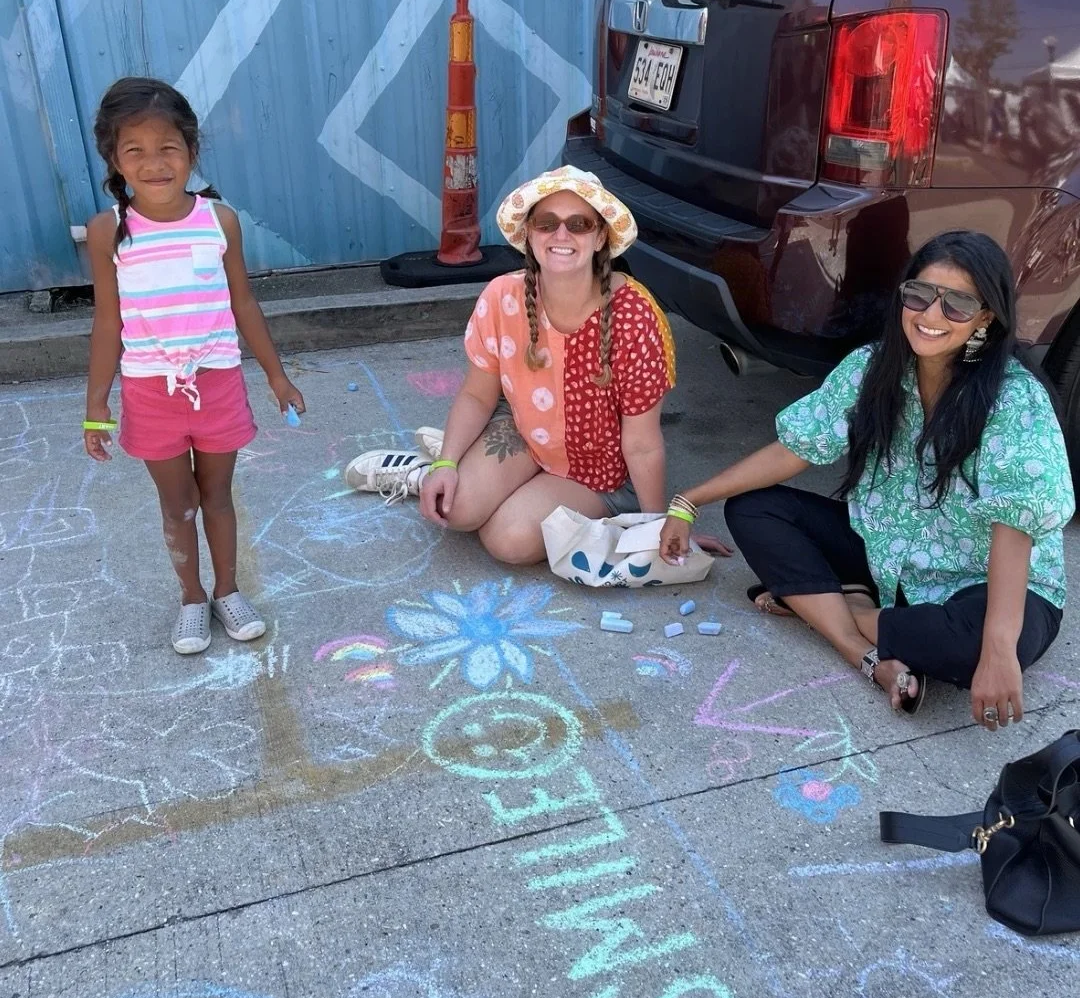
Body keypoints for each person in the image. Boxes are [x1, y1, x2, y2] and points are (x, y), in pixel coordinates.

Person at [660, 230, 1073, 729]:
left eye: (958, 304)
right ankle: (861, 647)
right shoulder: (873, 367)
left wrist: (1000, 649)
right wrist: (688, 499)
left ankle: (834, 605)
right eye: (919, 295)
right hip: (887, 558)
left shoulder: (1013, 398)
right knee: (752, 508)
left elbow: (1015, 525)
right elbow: (795, 450)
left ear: (987, 316)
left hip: (991, 580)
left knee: (972, 648)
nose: (931, 316)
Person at [345, 167, 711, 566]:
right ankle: (428, 470)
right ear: (529, 234)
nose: (561, 236)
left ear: (601, 236)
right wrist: (448, 464)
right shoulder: (503, 294)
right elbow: (476, 393)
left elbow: (641, 442)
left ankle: (490, 476)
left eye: (579, 224)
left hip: (598, 470)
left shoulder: (635, 315)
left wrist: (655, 524)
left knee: (509, 541)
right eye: (546, 223)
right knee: (458, 510)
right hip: (525, 431)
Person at [83, 77, 305, 654]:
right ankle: (190, 597)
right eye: (135, 150)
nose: (154, 163)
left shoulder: (218, 221)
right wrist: (95, 405)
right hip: (149, 392)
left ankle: (228, 591)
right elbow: (108, 323)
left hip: (218, 381)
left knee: (219, 496)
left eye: (168, 148)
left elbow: (244, 303)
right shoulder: (109, 232)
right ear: (114, 158)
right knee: (176, 503)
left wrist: (276, 375)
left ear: (191, 152)